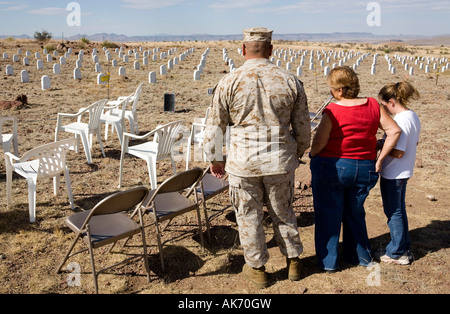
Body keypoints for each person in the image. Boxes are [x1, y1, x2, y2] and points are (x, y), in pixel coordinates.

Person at [203, 27, 311, 288]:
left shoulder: (229, 82)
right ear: (271, 50)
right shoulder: (290, 80)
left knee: (248, 216)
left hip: (244, 163)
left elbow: (215, 126)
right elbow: (304, 126)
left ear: (242, 50)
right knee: (283, 211)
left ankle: (257, 268)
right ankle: (294, 262)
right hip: (279, 161)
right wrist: (297, 152)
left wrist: (216, 158)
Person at [309, 66, 401, 272]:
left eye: (332, 89)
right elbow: (394, 130)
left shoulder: (333, 110)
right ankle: (359, 256)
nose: (331, 93)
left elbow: (319, 142)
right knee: (355, 213)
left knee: (328, 214)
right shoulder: (374, 105)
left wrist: (313, 155)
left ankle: (329, 262)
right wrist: (380, 159)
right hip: (365, 168)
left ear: (340, 90)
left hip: (334, 166)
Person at [376, 81, 421, 265]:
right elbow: (413, 144)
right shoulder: (412, 116)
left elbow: (399, 151)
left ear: (392, 102)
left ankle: (396, 252)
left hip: (394, 172)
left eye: (385, 105)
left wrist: (379, 145)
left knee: (393, 212)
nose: (384, 110)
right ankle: (404, 247)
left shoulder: (401, 120)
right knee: (399, 211)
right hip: (403, 171)